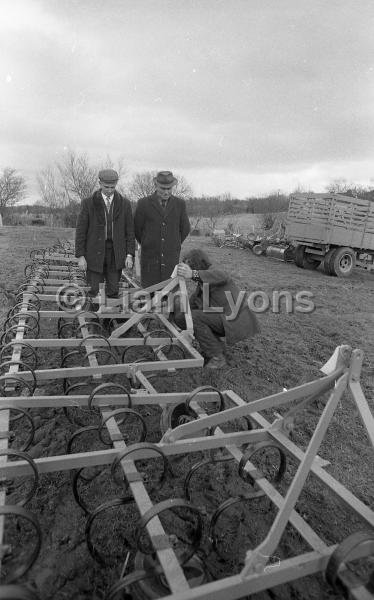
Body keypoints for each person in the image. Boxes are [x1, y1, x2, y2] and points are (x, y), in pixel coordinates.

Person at [174, 248, 260, 369]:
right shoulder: (202, 284)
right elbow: (191, 304)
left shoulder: (214, 272)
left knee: (195, 317)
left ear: (197, 263)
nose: (187, 267)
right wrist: (175, 309)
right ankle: (217, 346)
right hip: (224, 318)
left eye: (189, 264)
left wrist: (193, 274)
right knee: (184, 317)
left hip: (236, 320)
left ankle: (217, 357)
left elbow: (223, 275)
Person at [75, 169, 135, 299]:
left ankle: (109, 319)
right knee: (94, 290)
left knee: (113, 290)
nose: (109, 190)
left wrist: (129, 254)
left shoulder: (124, 204)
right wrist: (80, 256)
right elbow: (81, 231)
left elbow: (130, 231)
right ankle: (94, 319)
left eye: (112, 187)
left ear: (116, 184)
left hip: (115, 254)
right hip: (94, 253)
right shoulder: (88, 203)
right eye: (106, 187)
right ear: (100, 183)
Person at [134, 171, 190, 288]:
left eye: (169, 188)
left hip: (171, 258)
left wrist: (173, 243)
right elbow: (137, 229)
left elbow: (185, 228)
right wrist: (147, 242)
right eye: (162, 188)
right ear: (156, 186)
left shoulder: (180, 204)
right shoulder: (143, 204)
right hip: (150, 257)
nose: (166, 192)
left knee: (170, 292)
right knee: (150, 294)